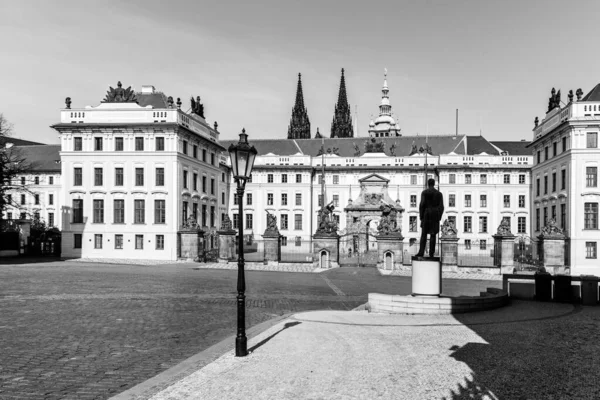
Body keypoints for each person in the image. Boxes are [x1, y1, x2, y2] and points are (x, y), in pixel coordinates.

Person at [416, 178, 444, 258]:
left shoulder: (424, 193)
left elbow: (422, 205)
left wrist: (421, 216)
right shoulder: (439, 194)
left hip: (426, 214)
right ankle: (431, 253)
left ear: (428, 184)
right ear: (434, 184)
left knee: (423, 234)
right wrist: (439, 216)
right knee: (433, 235)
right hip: (435, 214)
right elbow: (441, 207)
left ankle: (421, 252)